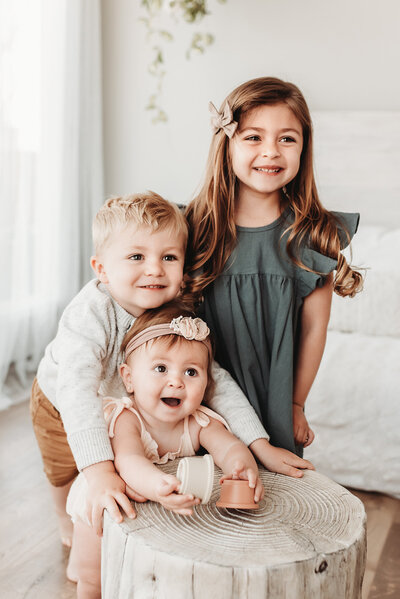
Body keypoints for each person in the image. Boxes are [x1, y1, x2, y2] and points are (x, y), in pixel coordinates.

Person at [31, 192, 308, 552]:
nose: (154, 269)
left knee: (123, 464)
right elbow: (77, 391)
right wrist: (98, 471)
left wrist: (259, 444)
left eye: (169, 257)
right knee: (63, 469)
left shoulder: (176, 312)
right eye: (136, 257)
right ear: (101, 269)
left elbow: (216, 380)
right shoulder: (90, 316)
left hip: (125, 403)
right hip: (62, 402)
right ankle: (61, 514)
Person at [185, 76, 363, 456]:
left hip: (275, 398)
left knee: (273, 499)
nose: (271, 151)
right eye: (253, 137)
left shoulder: (313, 237)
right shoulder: (193, 228)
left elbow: (315, 328)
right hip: (198, 397)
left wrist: (296, 404)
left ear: (303, 149)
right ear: (226, 144)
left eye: (287, 139)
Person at [66, 300, 265, 598]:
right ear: (129, 378)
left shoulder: (198, 421)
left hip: (157, 507)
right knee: (93, 576)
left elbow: (229, 446)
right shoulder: (126, 418)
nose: (176, 381)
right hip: (112, 497)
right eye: (161, 368)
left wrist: (242, 466)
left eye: (191, 372)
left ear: (207, 381)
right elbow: (129, 461)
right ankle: (81, 573)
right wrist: (157, 484)